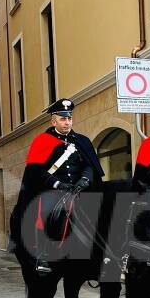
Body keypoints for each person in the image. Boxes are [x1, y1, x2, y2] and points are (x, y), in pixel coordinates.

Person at [8, 98, 103, 273]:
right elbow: (36, 171)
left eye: (69, 118)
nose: (67, 122)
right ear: (54, 121)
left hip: (79, 189)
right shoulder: (42, 141)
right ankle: (43, 254)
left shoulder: (81, 141)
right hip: (52, 190)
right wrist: (58, 183)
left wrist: (85, 179)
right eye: (63, 119)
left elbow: (90, 165)